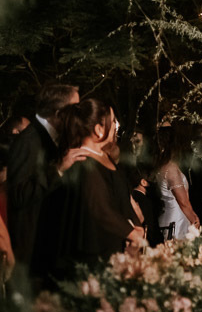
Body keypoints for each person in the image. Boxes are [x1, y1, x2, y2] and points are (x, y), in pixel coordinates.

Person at [32, 99, 145, 281]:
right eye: (113, 121)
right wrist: (131, 233)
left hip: (114, 245)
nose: (116, 126)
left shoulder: (105, 157)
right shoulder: (84, 162)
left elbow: (119, 196)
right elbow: (99, 207)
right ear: (99, 129)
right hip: (95, 252)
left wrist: (136, 223)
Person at [7, 84, 79, 273]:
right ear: (59, 112)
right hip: (30, 253)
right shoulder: (28, 142)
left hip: (48, 248)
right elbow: (18, 196)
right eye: (75, 108)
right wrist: (57, 170)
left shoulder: (55, 138)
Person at [154, 123, 200, 239]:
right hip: (176, 220)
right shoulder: (171, 169)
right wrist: (194, 219)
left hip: (167, 217)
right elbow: (183, 201)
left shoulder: (162, 167)